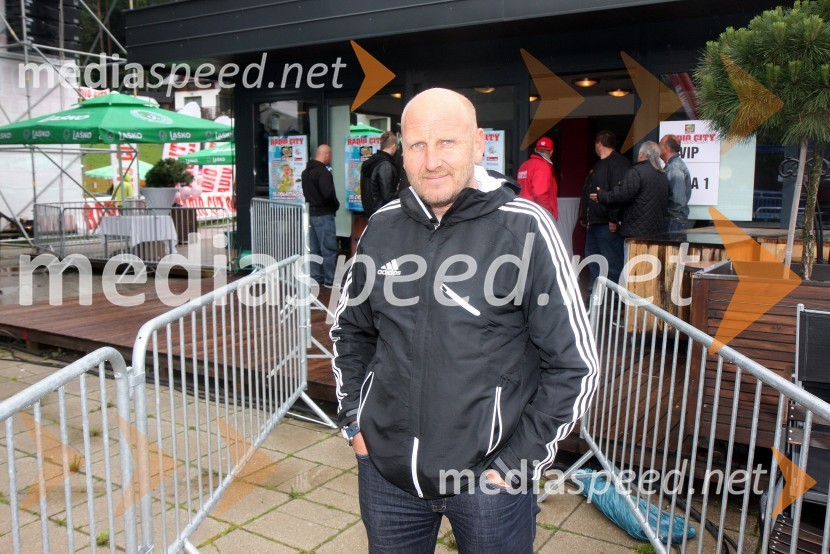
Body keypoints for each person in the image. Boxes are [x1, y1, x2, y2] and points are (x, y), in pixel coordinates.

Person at [331, 88, 598, 553]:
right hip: (387, 475)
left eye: (447, 143)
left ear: (478, 144)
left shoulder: (526, 227)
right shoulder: (382, 227)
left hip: (488, 484)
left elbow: (575, 366)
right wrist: (356, 424)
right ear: (402, 150)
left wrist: (515, 465)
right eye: (417, 145)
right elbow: (351, 332)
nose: (431, 160)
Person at [590, 141, 669, 256]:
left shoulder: (636, 172)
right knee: (649, 268)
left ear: (642, 154)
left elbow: (621, 195)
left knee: (632, 269)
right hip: (655, 232)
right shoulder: (662, 176)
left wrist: (601, 195)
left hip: (636, 232)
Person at [580, 130, 629, 293]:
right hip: (594, 222)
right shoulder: (598, 165)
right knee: (593, 259)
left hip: (607, 223)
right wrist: (585, 218)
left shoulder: (618, 163)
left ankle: (614, 301)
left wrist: (614, 218)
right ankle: (595, 296)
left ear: (598, 143)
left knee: (612, 262)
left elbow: (620, 194)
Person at [301, 144, 339, 288]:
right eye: (330, 155)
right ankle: (330, 280)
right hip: (324, 214)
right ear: (327, 154)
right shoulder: (323, 173)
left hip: (310, 214)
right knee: (328, 249)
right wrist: (335, 205)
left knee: (314, 249)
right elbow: (328, 194)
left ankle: (316, 278)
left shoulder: (305, 172)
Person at [516, 136, 559, 220]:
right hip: (538, 215)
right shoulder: (543, 166)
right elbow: (540, 194)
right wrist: (548, 214)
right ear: (551, 152)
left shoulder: (524, 165)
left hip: (523, 213)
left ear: (536, 150)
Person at [360, 131, 399, 218]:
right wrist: (399, 192)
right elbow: (388, 196)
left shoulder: (369, 162)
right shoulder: (385, 165)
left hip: (370, 212)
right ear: (393, 146)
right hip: (383, 214)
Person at [660, 134, 692, 232]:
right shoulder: (672, 166)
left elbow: (677, 200)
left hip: (673, 221)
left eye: (659, 145)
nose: (657, 148)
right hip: (673, 220)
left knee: (672, 247)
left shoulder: (675, 168)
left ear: (666, 149)